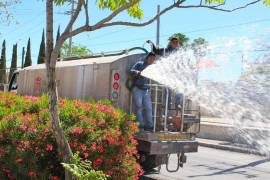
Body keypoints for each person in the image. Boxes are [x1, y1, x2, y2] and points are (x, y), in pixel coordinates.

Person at [130, 52, 156, 131]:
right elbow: (131, 70)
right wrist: (136, 72)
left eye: (153, 59)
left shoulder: (152, 67)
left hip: (146, 90)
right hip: (137, 89)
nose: (152, 60)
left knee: (149, 108)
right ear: (147, 58)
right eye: (151, 58)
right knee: (138, 107)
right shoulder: (139, 64)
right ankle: (141, 126)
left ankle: (150, 127)